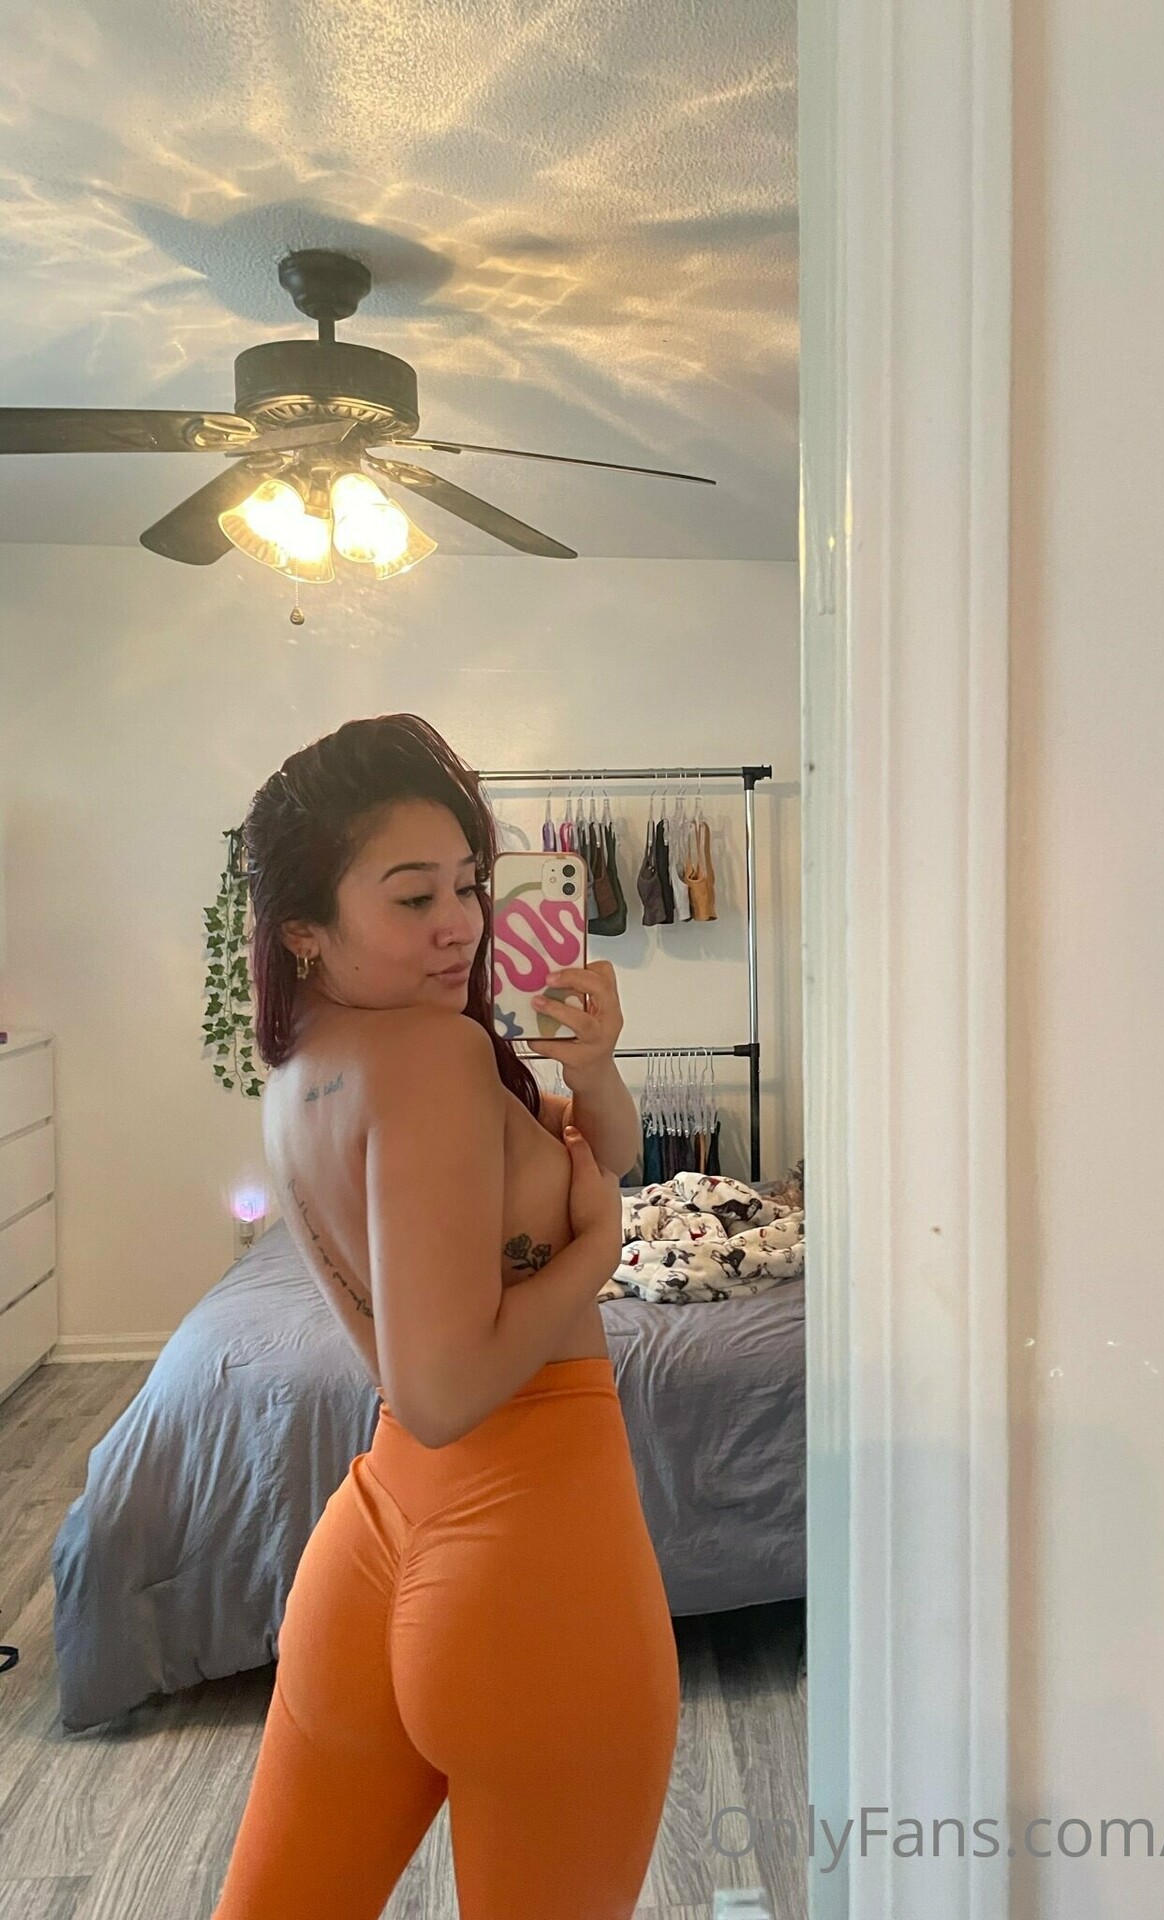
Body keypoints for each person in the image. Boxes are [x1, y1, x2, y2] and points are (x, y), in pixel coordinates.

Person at [210, 714, 680, 1920]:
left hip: (371, 1551)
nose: (461, 923)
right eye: (412, 897)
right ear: (303, 929)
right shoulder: (431, 1057)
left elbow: (593, 1157)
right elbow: (443, 1388)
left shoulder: (304, 1068)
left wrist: (591, 1067)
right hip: (530, 1559)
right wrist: (597, 1256)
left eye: (468, 885)